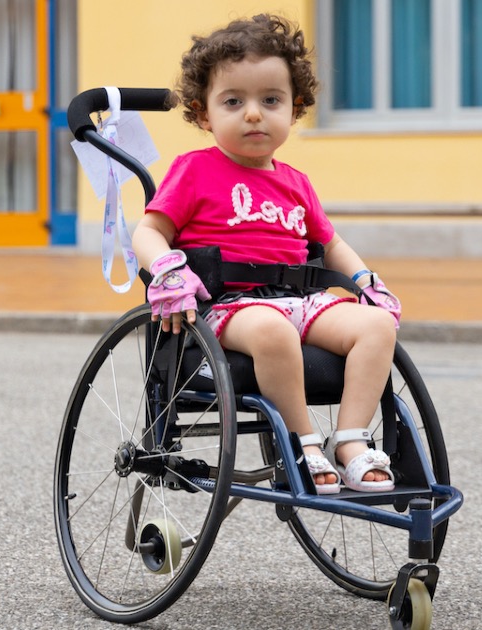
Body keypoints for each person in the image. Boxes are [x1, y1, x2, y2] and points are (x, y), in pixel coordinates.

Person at [132, 14, 402, 493]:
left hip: (300, 301)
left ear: (294, 110)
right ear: (203, 114)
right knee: (273, 330)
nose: (254, 114)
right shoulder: (194, 171)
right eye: (233, 102)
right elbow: (149, 231)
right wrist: (167, 271)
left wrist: (366, 282)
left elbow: (331, 244)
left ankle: (351, 441)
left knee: (378, 325)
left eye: (271, 100)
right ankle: (303, 443)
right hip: (229, 307)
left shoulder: (296, 182)